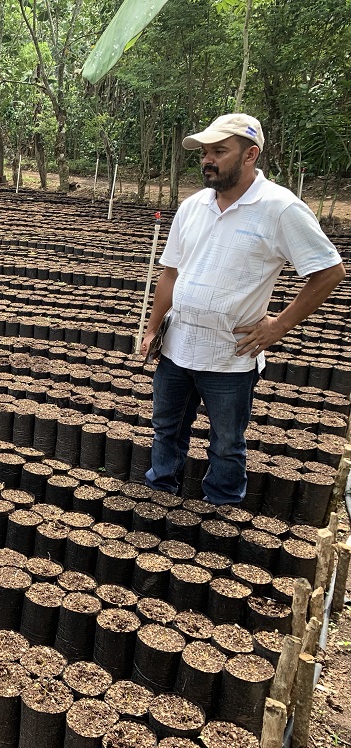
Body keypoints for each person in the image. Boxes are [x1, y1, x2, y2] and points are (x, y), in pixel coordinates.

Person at [139, 113, 346, 506]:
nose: (207, 160)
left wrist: (277, 326)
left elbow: (329, 271)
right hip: (177, 348)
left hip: (230, 357)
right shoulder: (193, 205)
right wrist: (153, 329)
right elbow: (170, 273)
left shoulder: (280, 208)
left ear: (250, 154)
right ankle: (160, 494)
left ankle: (221, 506)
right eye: (204, 152)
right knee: (166, 429)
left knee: (226, 442)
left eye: (219, 151)